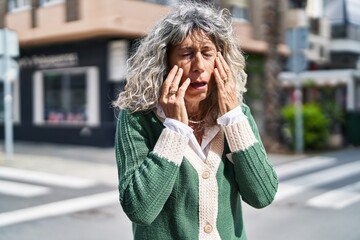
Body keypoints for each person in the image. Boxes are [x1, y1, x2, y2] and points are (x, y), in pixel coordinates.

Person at [113, 2, 278, 239]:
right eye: (187, 54)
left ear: (220, 59)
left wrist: (233, 118)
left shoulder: (236, 116)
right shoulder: (137, 118)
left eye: (207, 53)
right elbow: (139, 209)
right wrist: (175, 130)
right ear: (165, 61)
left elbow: (262, 195)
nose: (199, 66)